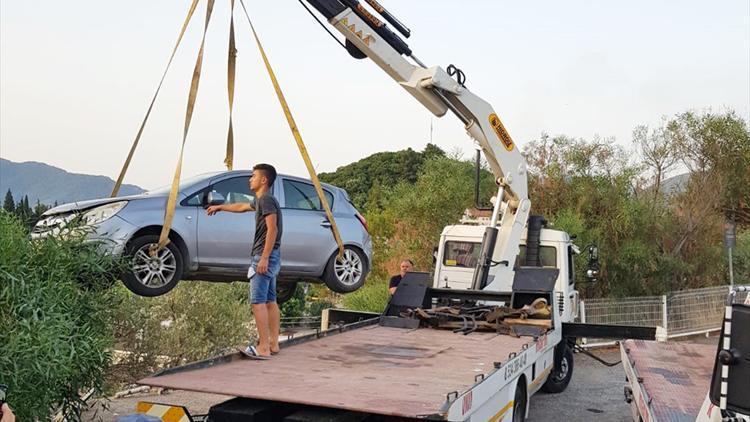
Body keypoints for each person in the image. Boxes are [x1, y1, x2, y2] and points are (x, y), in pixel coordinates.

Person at [207, 164, 283, 358]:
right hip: (272, 255)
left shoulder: (266, 200)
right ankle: (273, 344)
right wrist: (220, 206)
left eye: (253, 176)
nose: (250, 179)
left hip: (264, 255)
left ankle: (263, 348)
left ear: (263, 180)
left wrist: (264, 257)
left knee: (257, 302)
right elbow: (241, 206)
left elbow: (272, 229)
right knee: (269, 301)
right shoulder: (262, 201)